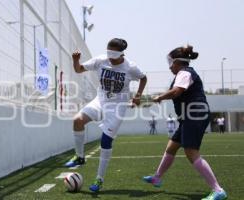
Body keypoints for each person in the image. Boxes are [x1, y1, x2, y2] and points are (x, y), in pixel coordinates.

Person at [142, 45, 227, 200]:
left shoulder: (184, 73)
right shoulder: (184, 73)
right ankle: (157, 177)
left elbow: (176, 92)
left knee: (191, 152)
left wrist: (160, 97)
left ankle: (218, 190)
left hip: (195, 115)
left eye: (171, 63)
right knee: (172, 147)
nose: (169, 67)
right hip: (189, 116)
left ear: (178, 62)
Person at [65, 38, 147, 192]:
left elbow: (143, 78)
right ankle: (80, 157)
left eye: (113, 52)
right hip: (100, 100)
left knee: (105, 140)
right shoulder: (101, 60)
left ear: (122, 53)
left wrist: (138, 95)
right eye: (108, 50)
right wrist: (75, 60)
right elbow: (79, 69)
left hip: (118, 106)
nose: (109, 55)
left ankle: (99, 179)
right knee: (77, 121)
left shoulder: (130, 67)